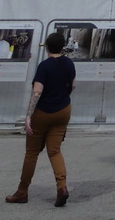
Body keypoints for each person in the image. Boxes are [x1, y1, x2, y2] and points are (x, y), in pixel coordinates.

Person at [5, 31, 76, 206]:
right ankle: (62, 186)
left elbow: (37, 91)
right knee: (55, 150)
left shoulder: (44, 66)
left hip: (44, 111)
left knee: (32, 152)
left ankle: (22, 191)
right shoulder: (69, 63)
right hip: (63, 109)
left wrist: (28, 116)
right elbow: (73, 85)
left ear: (48, 47)